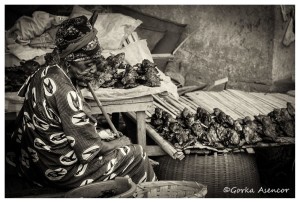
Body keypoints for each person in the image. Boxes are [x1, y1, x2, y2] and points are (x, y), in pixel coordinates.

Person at [10, 15, 157, 190]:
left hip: (32, 164)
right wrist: (119, 144)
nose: (93, 70)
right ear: (69, 61)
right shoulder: (65, 92)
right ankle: (151, 194)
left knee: (108, 135)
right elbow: (90, 150)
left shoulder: (44, 72)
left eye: (95, 62)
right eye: (87, 64)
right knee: (137, 154)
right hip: (59, 172)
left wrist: (103, 137)